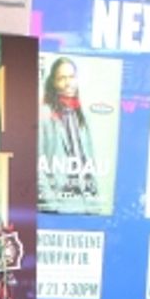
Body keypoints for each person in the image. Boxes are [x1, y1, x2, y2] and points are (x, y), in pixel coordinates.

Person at [37, 56, 99, 211]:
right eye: (62, 78)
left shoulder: (83, 115)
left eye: (71, 77)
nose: (68, 83)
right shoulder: (44, 115)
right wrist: (51, 205)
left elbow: (89, 163)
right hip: (59, 206)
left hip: (85, 205)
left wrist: (95, 204)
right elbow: (36, 165)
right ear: (53, 82)